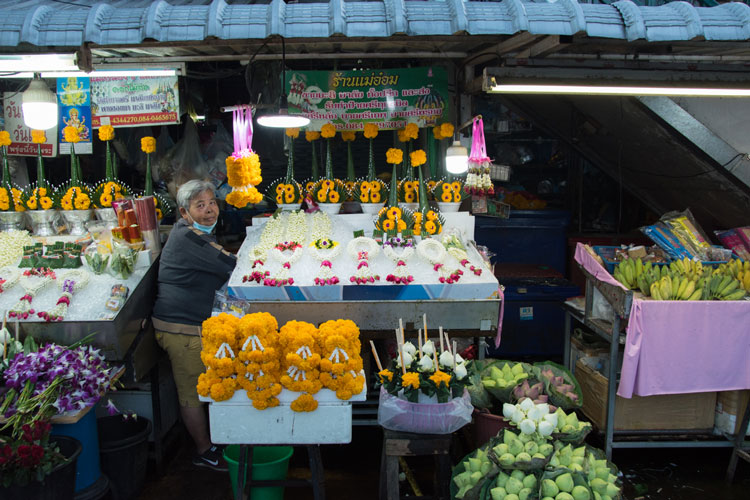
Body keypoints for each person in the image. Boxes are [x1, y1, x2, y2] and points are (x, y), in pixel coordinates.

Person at [152, 179, 236, 471]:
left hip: (193, 325)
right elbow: (231, 265)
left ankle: (215, 440)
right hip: (181, 330)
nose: (209, 210)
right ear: (184, 212)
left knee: (204, 387)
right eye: (200, 206)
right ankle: (203, 450)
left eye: (212, 202)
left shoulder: (194, 234)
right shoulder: (189, 239)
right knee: (192, 392)